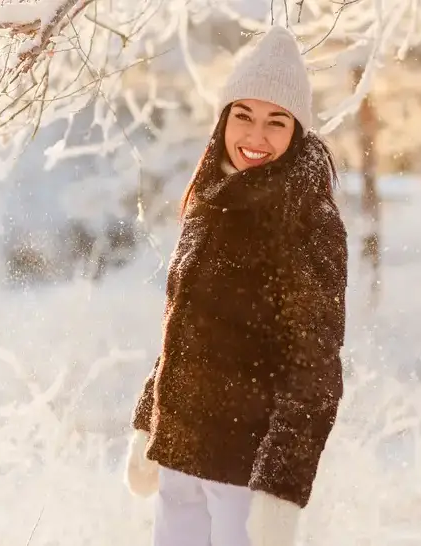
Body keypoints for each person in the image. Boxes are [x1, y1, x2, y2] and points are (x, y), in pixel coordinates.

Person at [123, 25, 348, 546]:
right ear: (224, 119)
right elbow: (180, 332)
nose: (255, 135)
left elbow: (315, 368)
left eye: (276, 121)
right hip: (180, 459)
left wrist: (279, 491)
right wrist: (147, 422)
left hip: (243, 476)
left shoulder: (306, 222)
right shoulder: (209, 202)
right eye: (243, 115)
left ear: (297, 132)